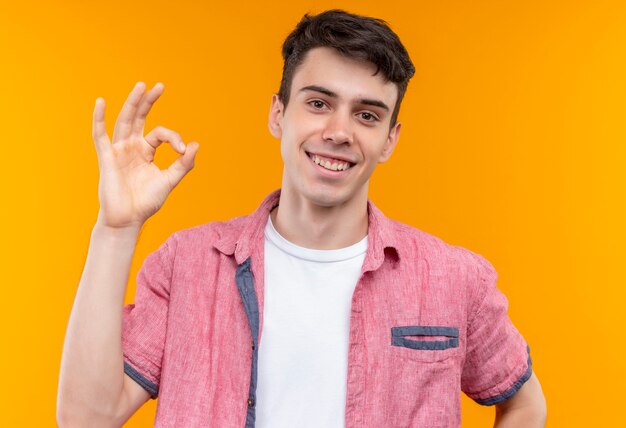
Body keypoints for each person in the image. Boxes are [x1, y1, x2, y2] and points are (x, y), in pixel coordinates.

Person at [57, 9, 547, 428]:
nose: (338, 131)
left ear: (391, 139)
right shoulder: (187, 264)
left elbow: (525, 404)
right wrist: (115, 229)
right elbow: (86, 418)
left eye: (368, 115)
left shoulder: (455, 279)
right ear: (278, 114)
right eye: (318, 103)